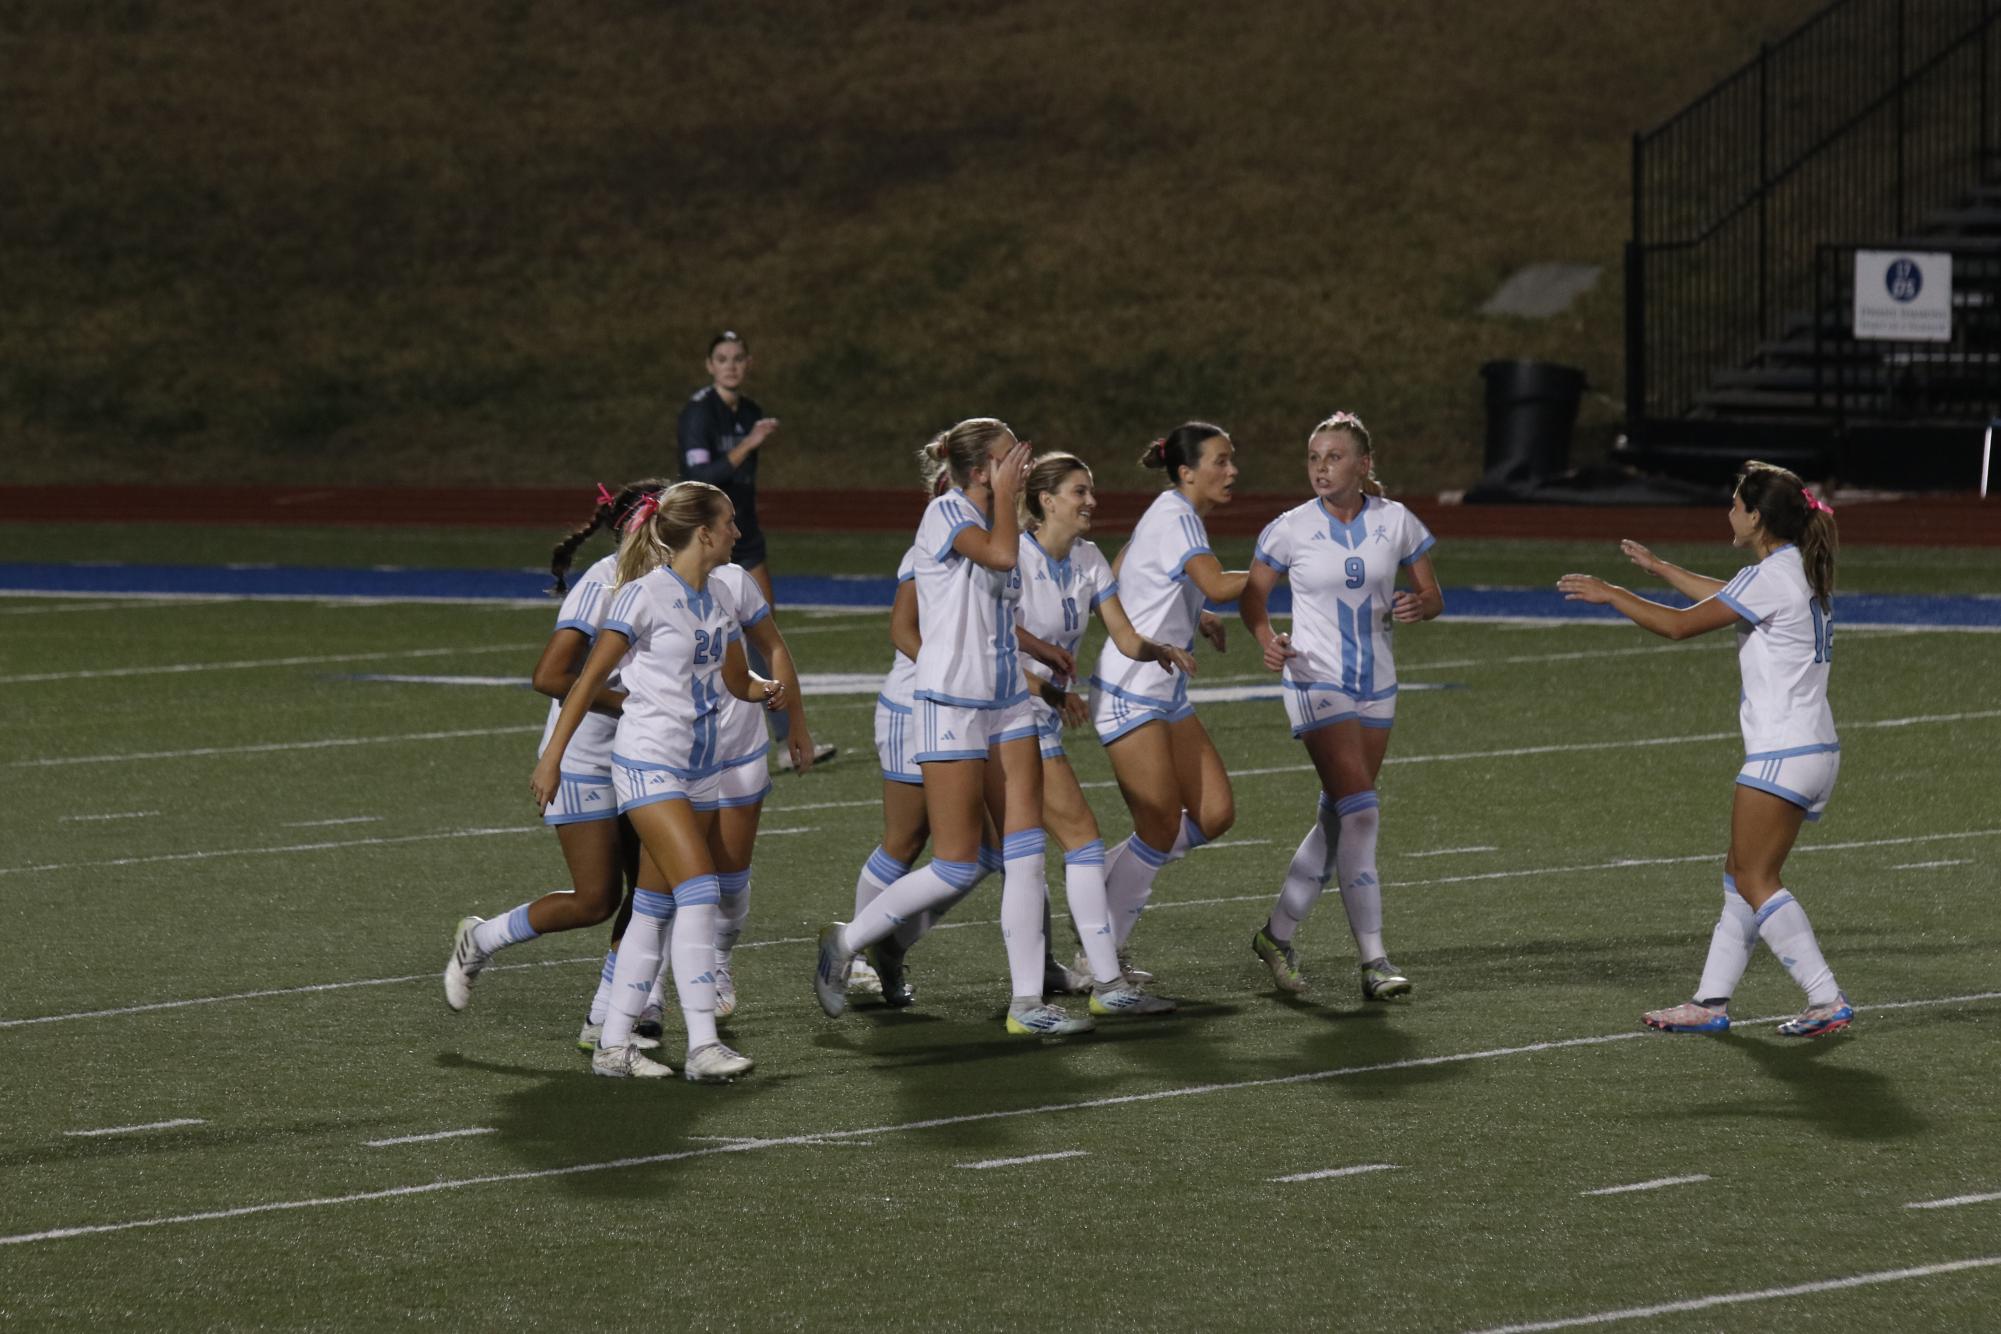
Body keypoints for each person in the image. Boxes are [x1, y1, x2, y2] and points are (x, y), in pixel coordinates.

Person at [813, 418, 1103, 1036]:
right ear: (979, 472)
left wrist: (1038, 650)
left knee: (1024, 856)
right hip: (949, 702)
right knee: (954, 862)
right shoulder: (946, 514)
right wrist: (1005, 498)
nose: (1022, 465)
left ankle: (1027, 1005)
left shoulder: (999, 520)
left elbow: (988, 601)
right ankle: (849, 940)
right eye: (1008, 458)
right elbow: (997, 556)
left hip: (1005, 701)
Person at [1556, 461, 1853, 1038]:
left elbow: (1679, 627)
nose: (1729, 512)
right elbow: (1728, 597)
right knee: (1741, 874)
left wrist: (1614, 593)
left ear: (1757, 517)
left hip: (1782, 754)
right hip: (1812, 750)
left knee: (1756, 878)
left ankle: (1826, 998)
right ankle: (1710, 1001)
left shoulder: (1772, 576)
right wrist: (1660, 567)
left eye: (1736, 503)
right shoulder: (1793, 569)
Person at [532, 481, 782, 1080]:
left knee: (653, 905)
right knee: (698, 889)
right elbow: (586, 681)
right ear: (703, 534)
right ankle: (703, 1045)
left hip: (700, 768)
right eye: (728, 523)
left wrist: (765, 691)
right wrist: (553, 758)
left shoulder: (720, 595)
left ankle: (613, 1046)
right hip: (647, 763)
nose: (737, 533)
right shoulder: (641, 596)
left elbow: (732, 676)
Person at [443, 480, 664, 1054]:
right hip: (587, 754)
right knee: (596, 900)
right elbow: (549, 677)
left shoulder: (682, 580)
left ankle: (610, 1014)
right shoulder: (604, 582)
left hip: (644, 752)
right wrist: (628, 703)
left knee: (654, 889)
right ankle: (482, 938)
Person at [1238, 413, 1442, 999]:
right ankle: (1374, 960)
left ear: (1364, 465)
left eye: (1333, 457)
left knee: (1338, 818)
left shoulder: (1396, 520)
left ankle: (1276, 935)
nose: (1321, 468)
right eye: (1313, 458)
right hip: (1313, 679)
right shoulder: (1289, 528)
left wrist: (1418, 606)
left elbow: (1433, 595)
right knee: (1361, 812)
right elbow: (1253, 598)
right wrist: (1267, 639)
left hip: (1377, 683)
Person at [1016, 451, 1192, 1014]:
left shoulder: (1088, 558)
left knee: (977, 862)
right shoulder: (1011, 559)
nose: (1091, 501)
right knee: (1082, 843)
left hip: (1036, 715)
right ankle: (1107, 986)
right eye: (1078, 491)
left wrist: (1156, 649)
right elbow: (991, 650)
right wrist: (1050, 692)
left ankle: (862, 947)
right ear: (1045, 500)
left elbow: (1122, 633)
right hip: (1004, 717)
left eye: (1090, 490)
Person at [1086, 423, 1248, 977]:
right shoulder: (1178, 517)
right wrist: (1287, 560)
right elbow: (1224, 583)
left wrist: (1189, 612)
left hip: (1163, 690)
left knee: (1214, 813)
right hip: (1132, 690)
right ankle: (1097, 955)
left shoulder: (1169, 510)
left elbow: (1121, 573)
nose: (1231, 472)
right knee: (1157, 826)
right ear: (1187, 472)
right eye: (1221, 462)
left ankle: (1098, 891)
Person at [676, 330, 834, 772]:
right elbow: (697, 472)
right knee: (698, 634)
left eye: (738, 358)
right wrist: (748, 446)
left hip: (743, 537)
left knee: (765, 635)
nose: (730, 365)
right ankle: (705, 732)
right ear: (709, 365)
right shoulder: (698, 413)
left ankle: (785, 740)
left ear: (749, 363)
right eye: (722, 358)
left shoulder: (750, 412)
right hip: (702, 540)